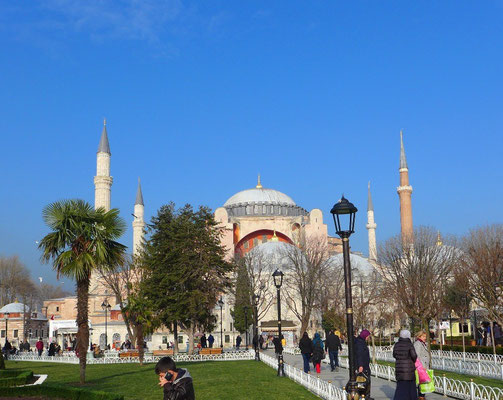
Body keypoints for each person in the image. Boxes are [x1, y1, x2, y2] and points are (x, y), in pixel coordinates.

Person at [392, 329, 418, 400]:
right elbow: (414, 356)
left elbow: (394, 355)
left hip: (399, 369)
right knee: (410, 388)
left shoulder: (397, 344)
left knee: (400, 387)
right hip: (409, 370)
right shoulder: (410, 345)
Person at [354, 329, 372, 399]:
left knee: (365, 380)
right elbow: (359, 354)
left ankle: (365, 395)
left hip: (364, 364)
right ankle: (365, 395)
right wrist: (360, 365)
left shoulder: (361, 342)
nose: (368, 338)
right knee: (365, 380)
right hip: (363, 365)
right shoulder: (360, 343)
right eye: (367, 336)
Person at [414, 330, 431, 400]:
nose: (425, 338)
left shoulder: (422, 343)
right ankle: (421, 397)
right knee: (421, 382)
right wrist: (421, 366)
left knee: (423, 381)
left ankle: (422, 396)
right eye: (423, 336)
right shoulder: (418, 344)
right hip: (421, 366)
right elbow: (417, 356)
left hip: (424, 365)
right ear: (419, 336)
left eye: (425, 336)